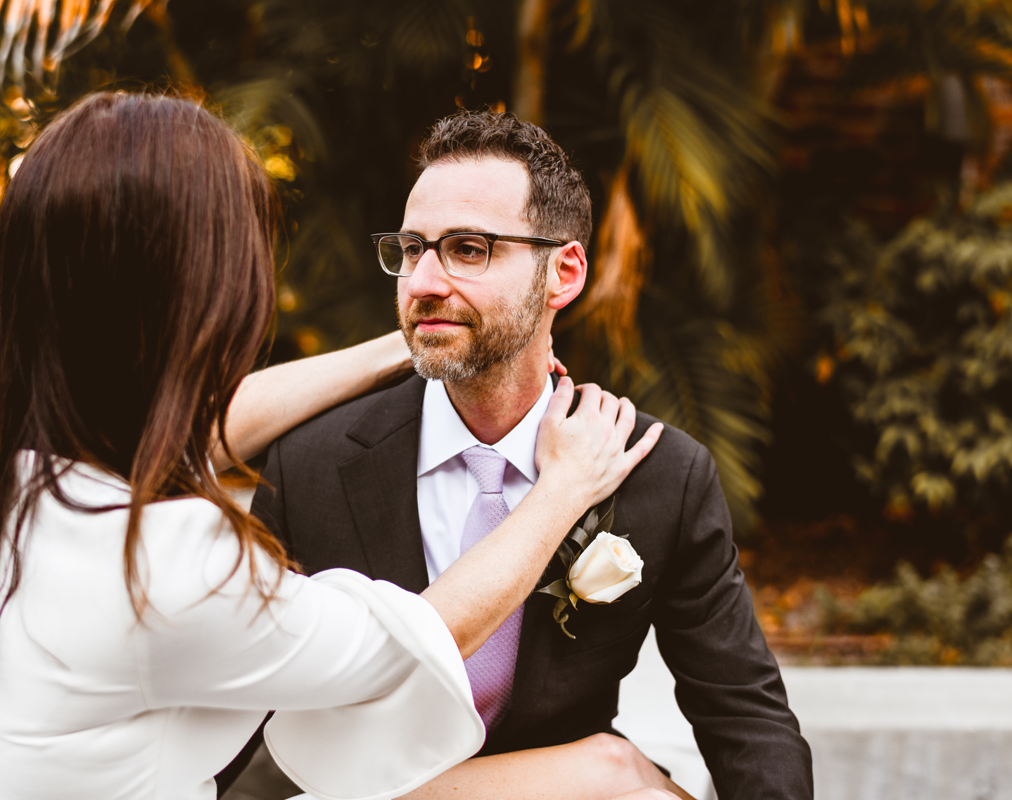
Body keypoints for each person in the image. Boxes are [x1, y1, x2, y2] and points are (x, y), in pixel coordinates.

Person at [0, 92, 668, 800]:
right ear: (192, 291)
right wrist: (563, 489)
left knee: (608, 771)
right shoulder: (164, 565)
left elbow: (192, 430)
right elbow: (419, 638)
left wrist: (421, 334)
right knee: (620, 782)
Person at [249, 111, 814, 800]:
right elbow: (247, 729)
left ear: (564, 273)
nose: (423, 280)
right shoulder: (308, 466)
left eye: (468, 249)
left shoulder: (661, 474)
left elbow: (746, 718)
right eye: (412, 248)